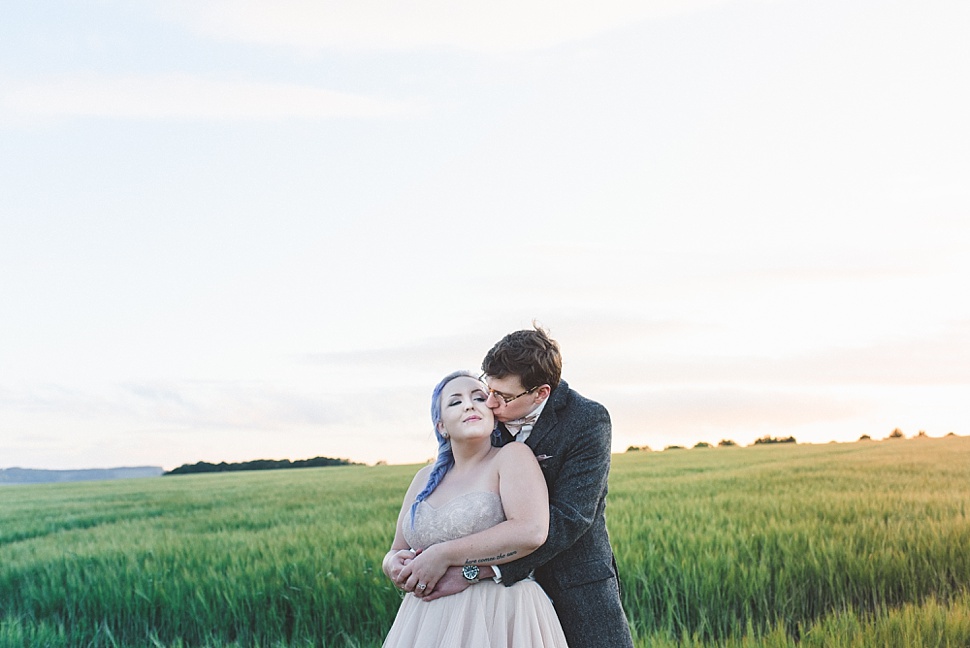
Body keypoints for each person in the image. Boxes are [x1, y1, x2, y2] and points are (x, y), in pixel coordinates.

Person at [412, 325, 635, 648]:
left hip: (573, 583)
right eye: (488, 389)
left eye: (502, 396)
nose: (489, 402)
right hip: (496, 608)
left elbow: (572, 516)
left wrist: (477, 571)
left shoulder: (588, 419)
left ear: (541, 393)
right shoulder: (489, 416)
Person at [381, 370, 569, 647]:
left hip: (500, 613)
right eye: (455, 402)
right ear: (441, 426)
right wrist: (392, 564)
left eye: (479, 398)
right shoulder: (424, 478)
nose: (469, 404)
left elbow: (531, 530)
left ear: (493, 417)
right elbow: (397, 548)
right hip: (426, 622)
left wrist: (443, 555)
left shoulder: (511, 457)